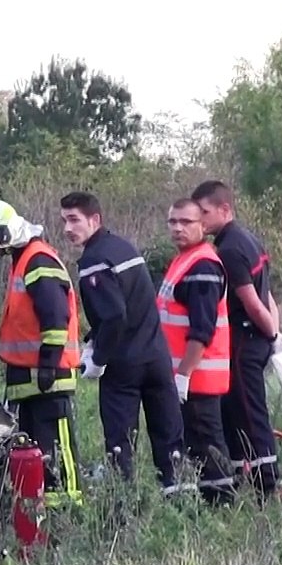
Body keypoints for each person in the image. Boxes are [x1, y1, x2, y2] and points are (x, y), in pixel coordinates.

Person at [60, 191, 190, 497]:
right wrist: (95, 338)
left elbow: (115, 315)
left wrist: (99, 358)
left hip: (124, 365)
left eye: (74, 219)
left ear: (95, 219)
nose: (67, 228)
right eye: (64, 220)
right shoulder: (124, 247)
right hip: (157, 356)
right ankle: (182, 502)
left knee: (120, 444)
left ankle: (122, 508)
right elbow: (133, 305)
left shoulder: (93, 260)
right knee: (169, 439)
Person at [0, 198, 83, 507]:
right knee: (37, 450)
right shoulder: (25, 261)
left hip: (48, 379)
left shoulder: (38, 261)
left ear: (3, 235)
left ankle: (70, 507)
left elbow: (55, 316)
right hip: (30, 381)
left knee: (58, 450)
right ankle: (40, 509)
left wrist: (48, 363)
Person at [191, 180, 282, 498]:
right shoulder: (248, 238)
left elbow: (253, 302)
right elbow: (268, 295)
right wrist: (274, 332)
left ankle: (266, 481)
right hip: (255, 338)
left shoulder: (229, 249)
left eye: (204, 212)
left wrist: (270, 334)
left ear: (224, 209)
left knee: (249, 411)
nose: (198, 220)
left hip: (245, 340)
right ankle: (242, 475)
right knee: (235, 412)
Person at [156, 198, 235, 505]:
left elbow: (202, 329)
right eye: (172, 222)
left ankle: (224, 505)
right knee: (197, 446)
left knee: (209, 444)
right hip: (184, 374)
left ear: (203, 225)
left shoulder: (202, 266)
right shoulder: (183, 260)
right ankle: (210, 501)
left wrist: (183, 375)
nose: (178, 228)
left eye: (186, 222)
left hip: (199, 377)